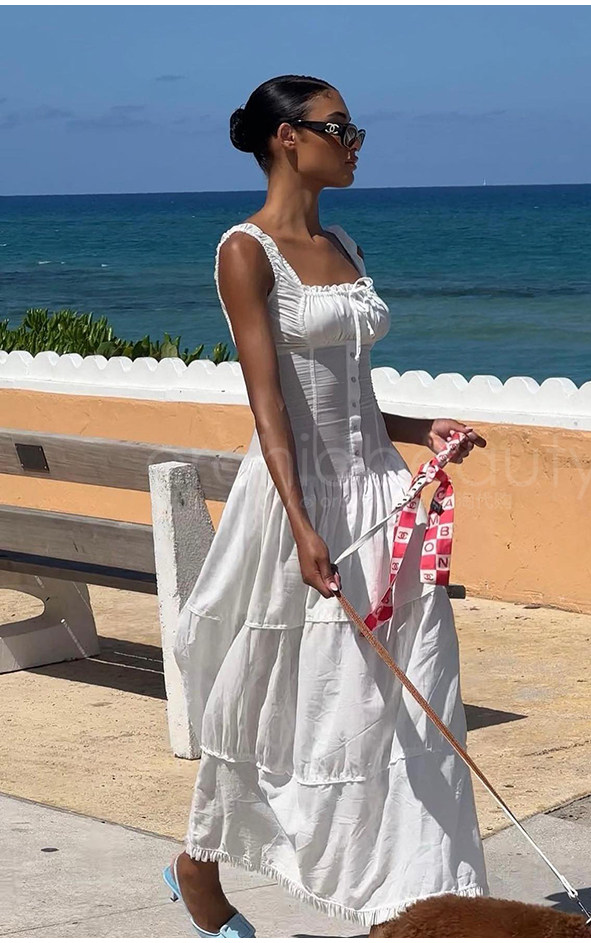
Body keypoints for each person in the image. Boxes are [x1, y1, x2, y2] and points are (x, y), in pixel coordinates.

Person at [164, 73, 489, 938]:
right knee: (284, 696)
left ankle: (407, 903)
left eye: (354, 129)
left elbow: (350, 390)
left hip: (380, 490)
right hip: (300, 503)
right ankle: (199, 861)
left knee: (405, 697)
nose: (355, 143)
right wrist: (303, 523)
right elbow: (271, 403)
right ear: (287, 138)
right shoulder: (244, 251)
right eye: (339, 128)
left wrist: (419, 428)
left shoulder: (343, 241)